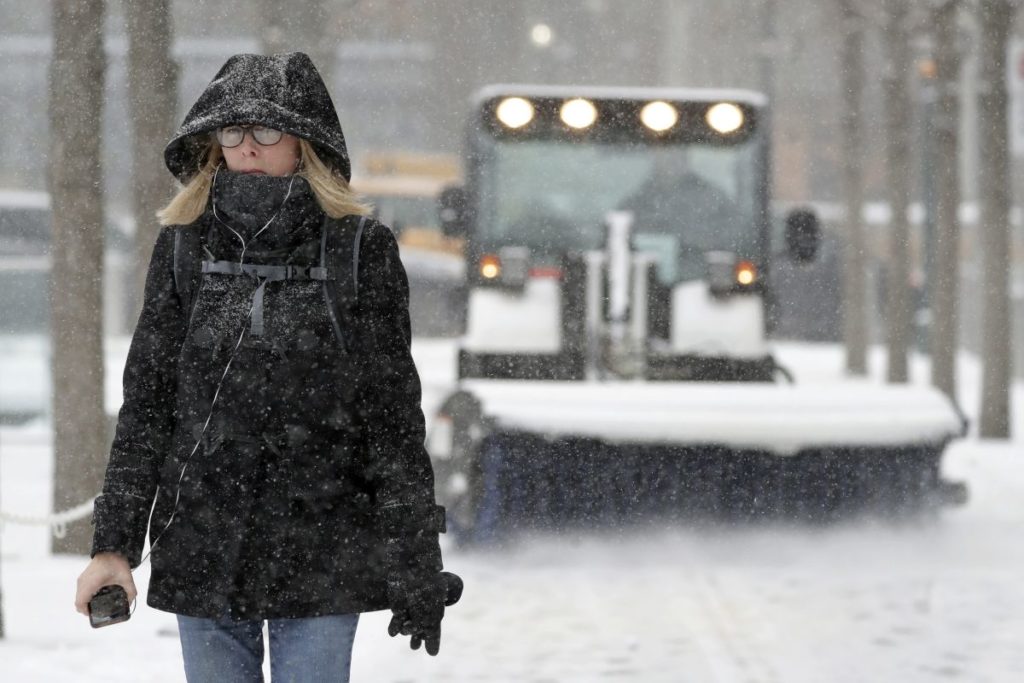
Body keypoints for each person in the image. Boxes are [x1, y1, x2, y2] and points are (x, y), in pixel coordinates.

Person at [74, 51, 458, 682]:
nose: (247, 146)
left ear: (305, 141)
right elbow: (147, 407)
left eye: (266, 130)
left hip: (323, 544)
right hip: (201, 543)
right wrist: (113, 546)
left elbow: (392, 419)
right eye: (231, 131)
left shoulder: (359, 250)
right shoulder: (184, 246)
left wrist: (416, 556)